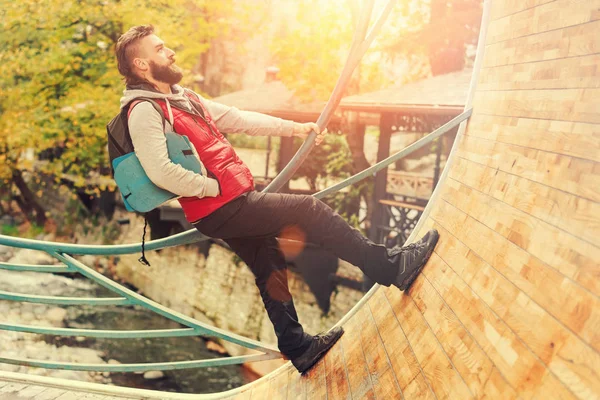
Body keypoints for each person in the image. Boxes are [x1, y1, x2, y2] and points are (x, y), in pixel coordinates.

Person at [114, 25, 439, 374]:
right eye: (160, 49)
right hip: (221, 206)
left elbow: (238, 119)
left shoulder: (185, 97)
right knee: (309, 210)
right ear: (142, 65)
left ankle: (297, 347)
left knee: (269, 267)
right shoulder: (144, 110)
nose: (170, 52)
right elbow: (160, 171)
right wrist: (210, 188)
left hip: (229, 201)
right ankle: (390, 266)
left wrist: (296, 128)